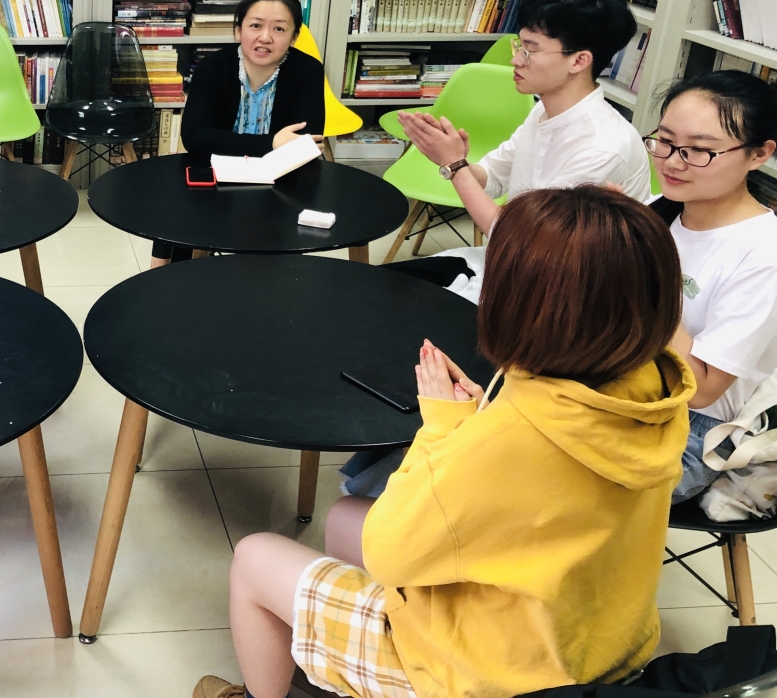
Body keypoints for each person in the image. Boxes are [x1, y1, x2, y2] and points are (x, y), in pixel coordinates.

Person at [195, 186, 694, 698]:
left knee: (254, 557)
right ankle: (334, 671)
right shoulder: (654, 390)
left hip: (484, 676)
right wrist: (483, 417)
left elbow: (389, 552)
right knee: (346, 518)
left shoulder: (507, 439)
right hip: (597, 645)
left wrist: (445, 427)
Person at [394, 0, 651, 296]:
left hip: (555, 292)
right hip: (511, 266)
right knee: (381, 286)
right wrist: (451, 156)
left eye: (530, 50)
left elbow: (524, 242)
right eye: (519, 46)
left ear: (579, 61)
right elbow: (494, 178)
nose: (516, 60)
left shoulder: (603, 146)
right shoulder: (544, 109)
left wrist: (455, 166)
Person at [643, 71, 777, 503]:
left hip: (689, 430)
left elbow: (700, 390)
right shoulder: (658, 213)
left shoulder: (763, 252)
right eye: (665, 141)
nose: (672, 162)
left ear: (759, 154)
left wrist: (641, 282)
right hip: (622, 384)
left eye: (699, 150)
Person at [153, 0, 326, 266]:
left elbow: (305, 142)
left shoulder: (308, 71)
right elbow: (195, 136)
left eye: (279, 29)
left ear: (294, 37)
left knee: (280, 240)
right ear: (238, 30)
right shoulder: (212, 67)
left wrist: (232, 143)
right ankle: (172, 278)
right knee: (178, 210)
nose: (265, 37)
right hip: (216, 175)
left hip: (281, 179)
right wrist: (271, 143)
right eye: (255, 25)